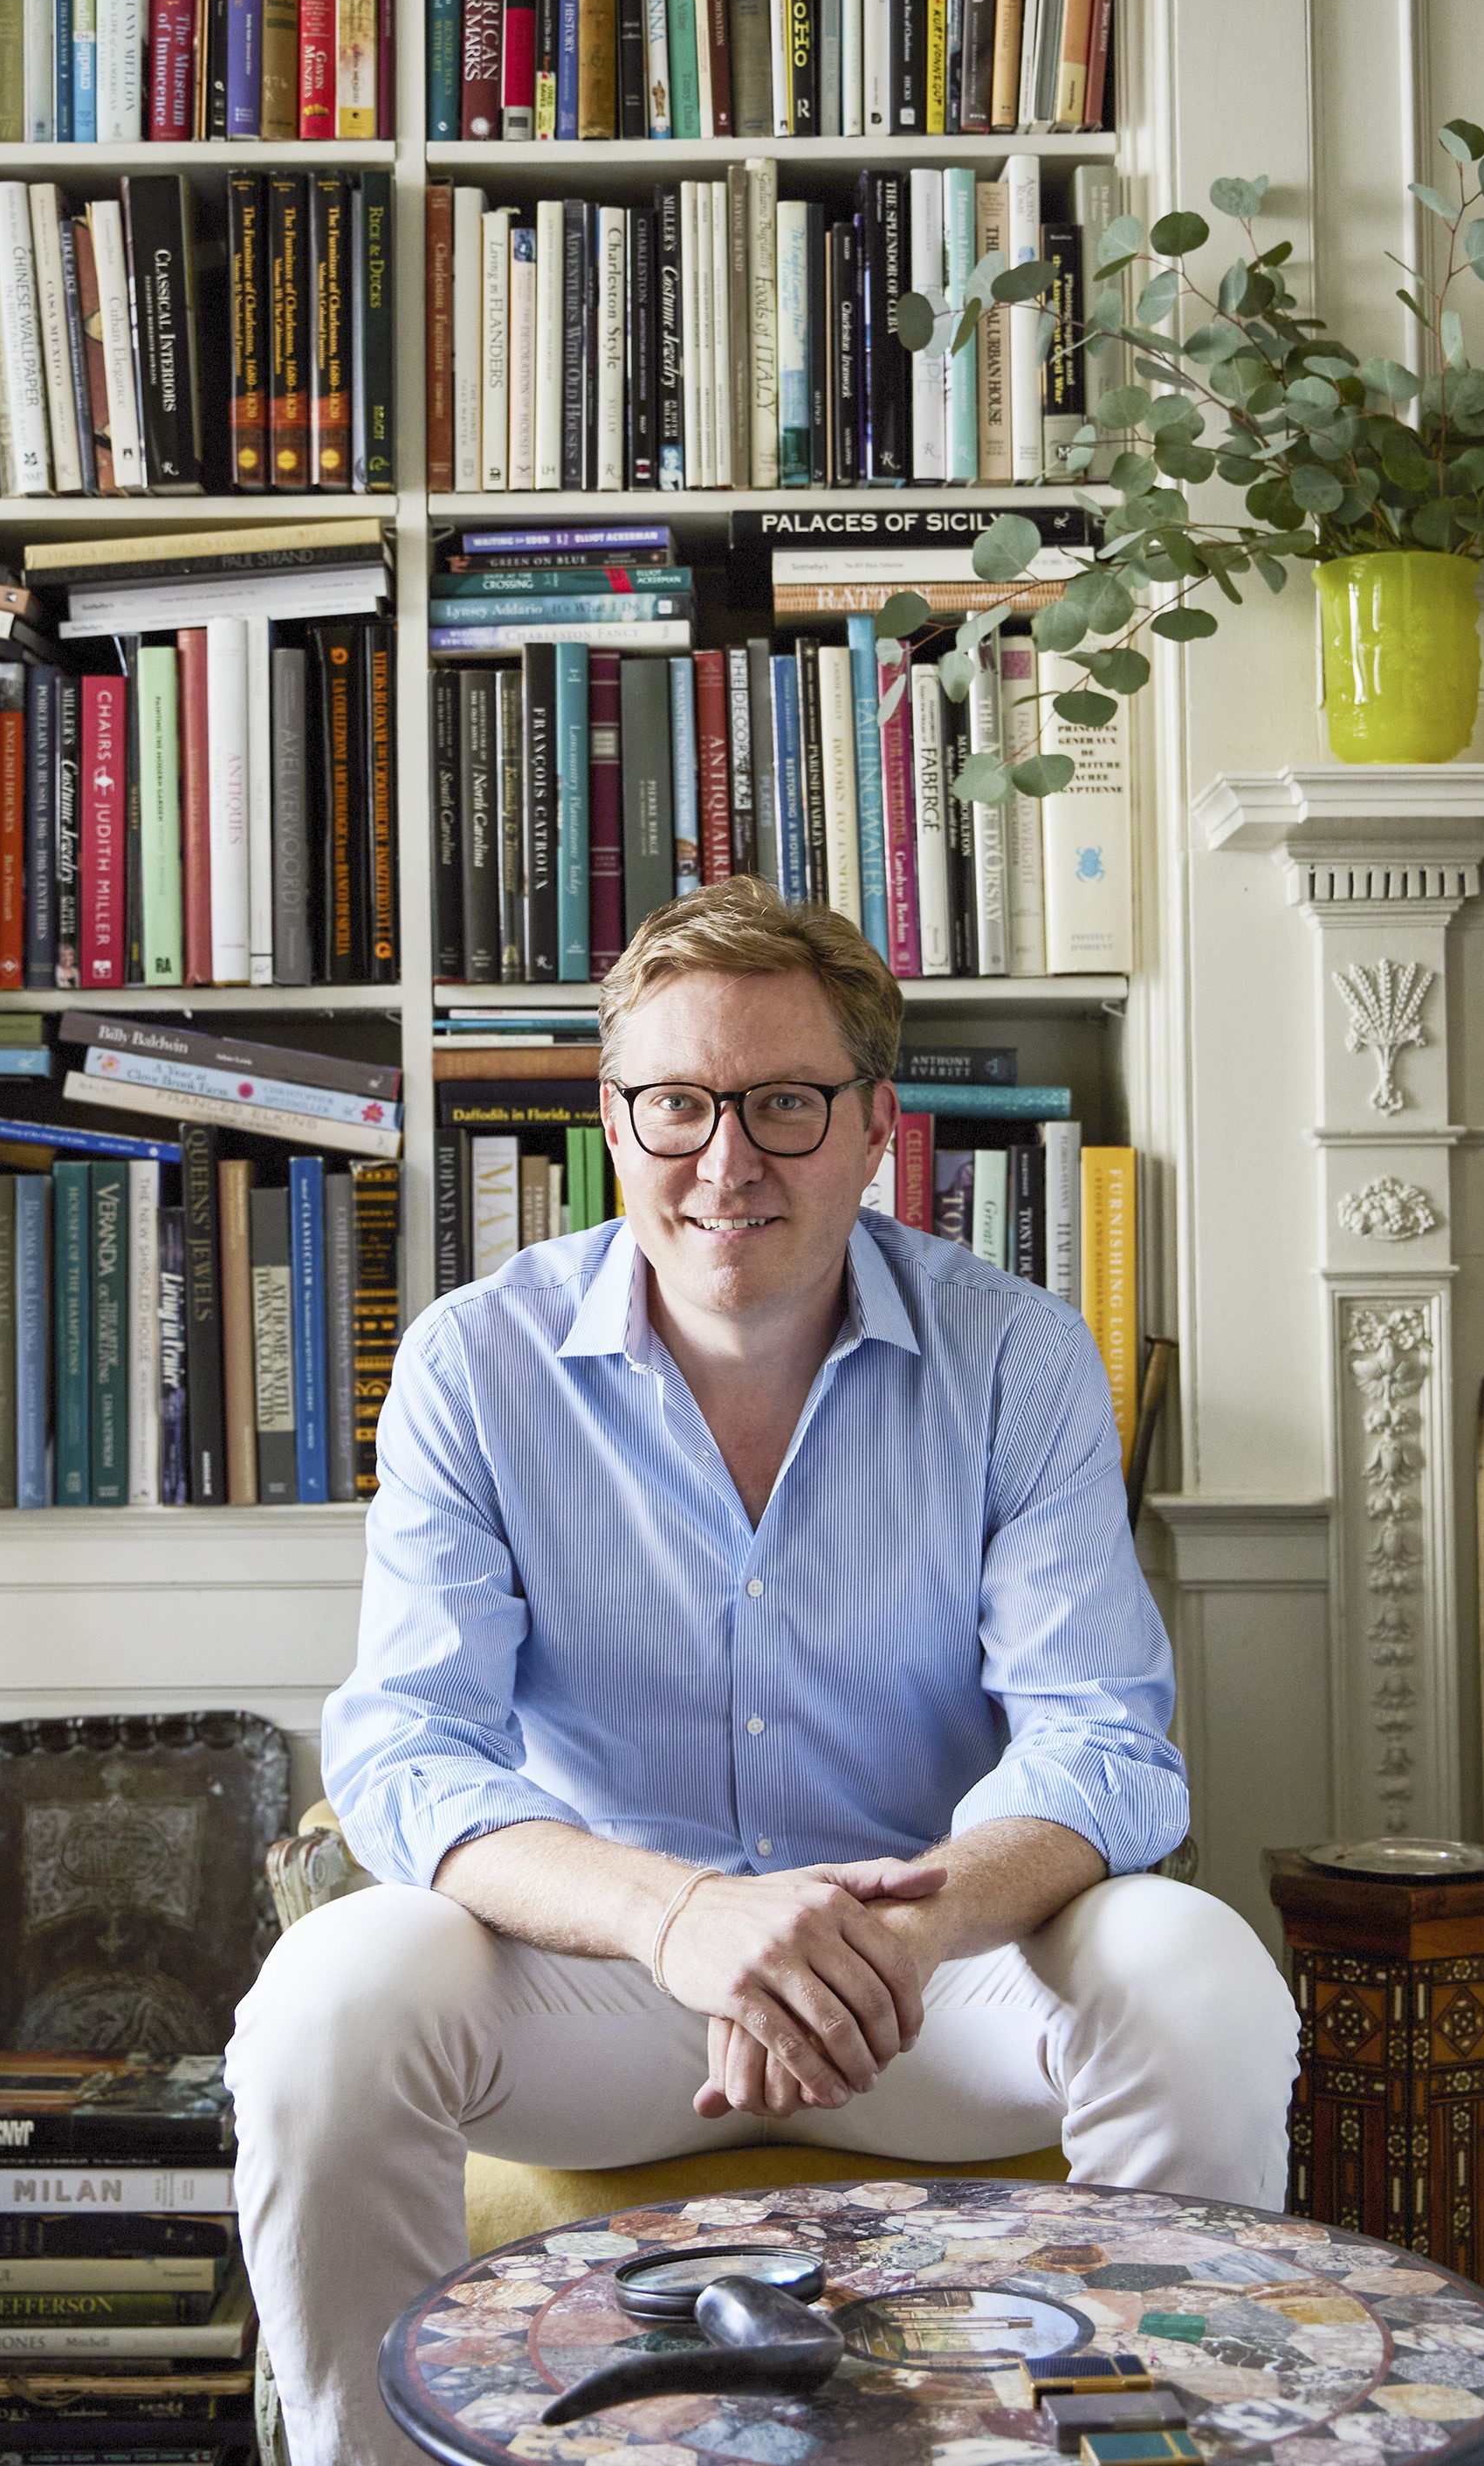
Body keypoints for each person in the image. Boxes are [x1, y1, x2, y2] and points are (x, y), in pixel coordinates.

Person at [225, 878, 1299, 2466]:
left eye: (784, 1103)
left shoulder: (1018, 1355)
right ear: (612, 1117)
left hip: (926, 1990)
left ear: (876, 1126)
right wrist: (687, 1922)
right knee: (329, 1995)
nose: (726, 1161)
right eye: (677, 1104)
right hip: (607, 1992)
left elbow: (1104, 1744)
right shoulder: (474, 1358)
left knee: (1197, 1970)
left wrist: (878, 1933)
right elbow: (411, 1755)